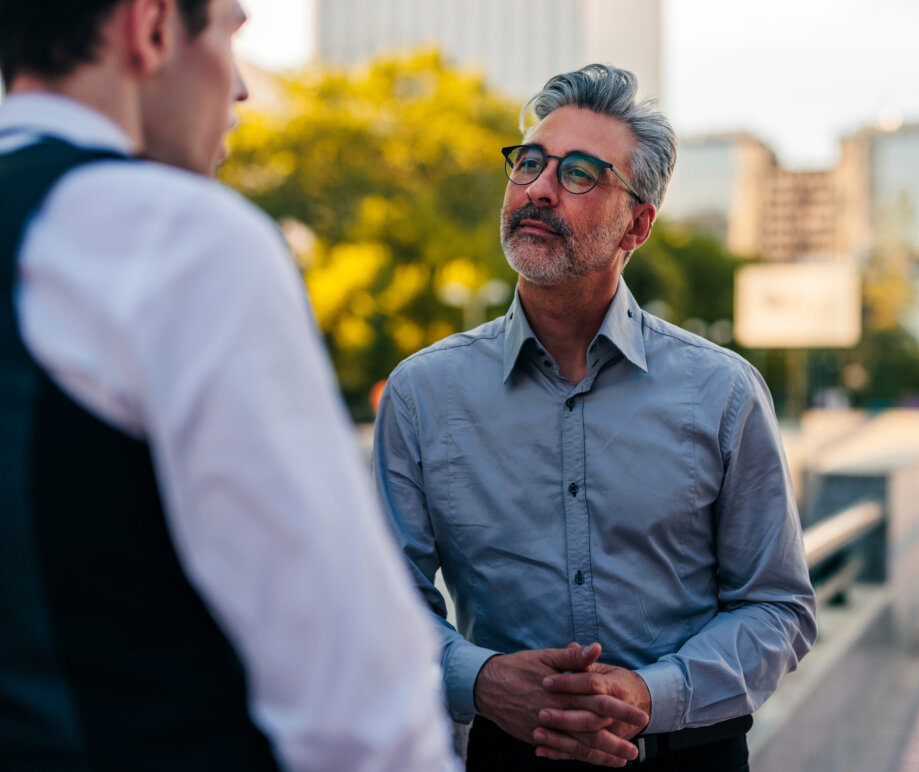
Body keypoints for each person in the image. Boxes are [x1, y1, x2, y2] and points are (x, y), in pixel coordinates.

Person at [0, 1, 457, 769]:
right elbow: (354, 694)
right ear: (151, 28)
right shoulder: (178, 239)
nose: (241, 87)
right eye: (227, 34)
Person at [373, 64, 817, 771]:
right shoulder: (423, 394)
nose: (540, 189)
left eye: (581, 173)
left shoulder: (724, 393)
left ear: (636, 225)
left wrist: (650, 694)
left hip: (689, 753)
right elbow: (381, 602)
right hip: (507, 755)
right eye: (530, 163)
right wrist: (480, 680)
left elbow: (777, 610)